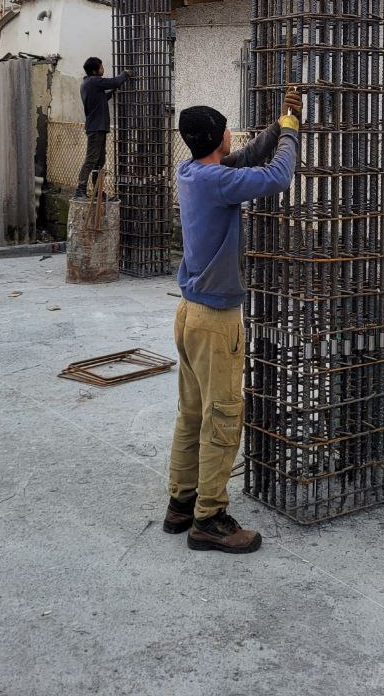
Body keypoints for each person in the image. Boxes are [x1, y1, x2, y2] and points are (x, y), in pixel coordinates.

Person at [164, 87, 301, 554]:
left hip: (188, 314)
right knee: (223, 417)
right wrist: (291, 135)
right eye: (227, 133)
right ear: (220, 135)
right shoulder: (216, 182)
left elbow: (241, 159)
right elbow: (278, 176)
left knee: (192, 414)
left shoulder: (192, 172)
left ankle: (181, 504)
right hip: (215, 322)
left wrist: (278, 124)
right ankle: (210, 518)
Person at [73, 57, 128, 199]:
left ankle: (98, 192)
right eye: (101, 66)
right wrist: (125, 74)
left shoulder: (88, 84)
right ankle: (80, 190)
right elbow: (114, 81)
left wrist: (113, 91)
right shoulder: (94, 81)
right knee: (91, 159)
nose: (103, 68)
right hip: (96, 128)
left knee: (99, 161)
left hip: (98, 127)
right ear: (94, 70)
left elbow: (101, 100)